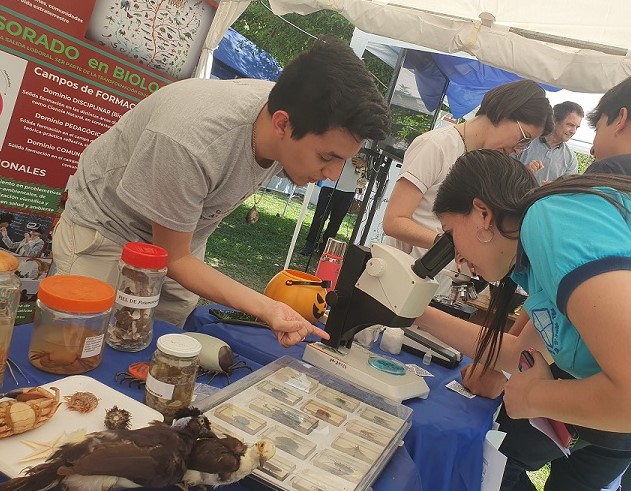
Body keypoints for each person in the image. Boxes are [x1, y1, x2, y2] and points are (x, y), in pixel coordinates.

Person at [53, 37, 390, 347]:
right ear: (282, 124)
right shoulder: (192, 141)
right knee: (78, 349)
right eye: (327, 157)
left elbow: (177, 255)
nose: (332, 175)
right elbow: (175, 258)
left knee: (157, 349)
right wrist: (267, 307)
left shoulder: (295, 113)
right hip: (108, 231)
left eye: (344, 160)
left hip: (181, 241)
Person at [414, 148, 631, 490]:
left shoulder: (554, 219)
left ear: (482, 214)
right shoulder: (538, 263)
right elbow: (517, 352)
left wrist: (534, 397)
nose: (457, 258)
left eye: (450, 235)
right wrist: (413, 311)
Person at [465, 70, 631, 491]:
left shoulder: (574, 208)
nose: (591, 147)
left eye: (595, 128)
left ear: (620, 118)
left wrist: (531, 398)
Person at [382, 79, 553, 295]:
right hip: (398, 280)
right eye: (524, 139)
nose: (519, 150)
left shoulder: (486, 165)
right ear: (505, 111)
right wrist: (456, 246)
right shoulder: (437, 146)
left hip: (436, 288)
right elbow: (393, 221)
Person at [300, 154, 366, 256]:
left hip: (349, 189)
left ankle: (325, 248)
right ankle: (310, 244)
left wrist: (364, 164)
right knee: (319, 217)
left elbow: (369, 167)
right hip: (329, 185)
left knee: (336, 222)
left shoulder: (367, 146)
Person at [517, 101, 584, 184]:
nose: (573, 131)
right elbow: (505, 171)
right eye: (570, 125)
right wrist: (524, 171)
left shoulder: (570, 158)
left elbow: (568, 188)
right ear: (554, 120)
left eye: (577, 127)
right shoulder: (526, 140)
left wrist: (554, 187)